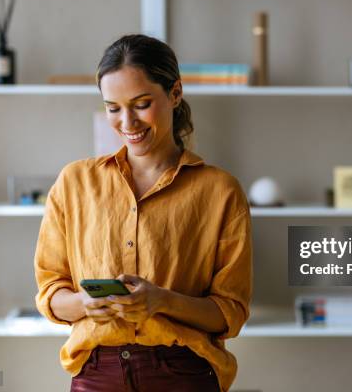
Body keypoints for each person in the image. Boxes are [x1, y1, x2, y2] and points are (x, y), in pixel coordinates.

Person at [34, 34, 253, 392]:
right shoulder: (74, 183)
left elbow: (230, 312)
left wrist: (162, 301)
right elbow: (50, 292)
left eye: (141, 103)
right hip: (95, 374)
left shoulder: (220, 191)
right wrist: (84, 303)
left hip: (183, 374)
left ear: (175, 93)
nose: (127, 122)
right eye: (113, 107)